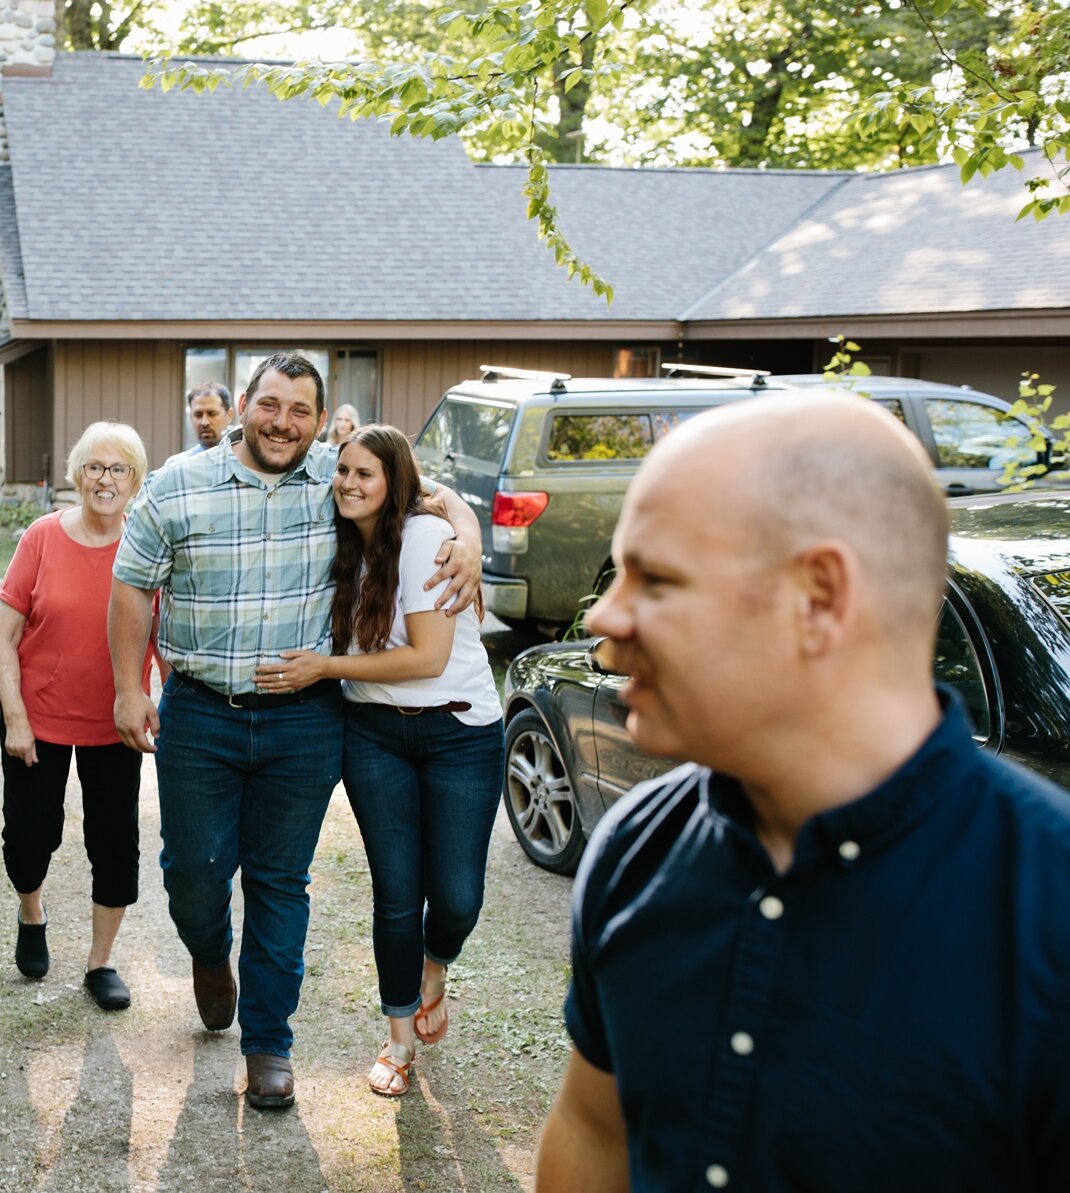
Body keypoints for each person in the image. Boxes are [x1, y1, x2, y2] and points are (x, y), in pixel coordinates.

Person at [535, 392, 1070, 1192]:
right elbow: (592, 1132)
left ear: (819, 597)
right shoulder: (636, 844)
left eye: (655, 578)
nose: (605, 617)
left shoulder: (1051, 917)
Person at [109, 352, 484, 1111]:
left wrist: (470, 539)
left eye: (300, 410)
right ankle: (210, 955)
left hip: (307, 723)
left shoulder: (337, 477)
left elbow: (430, 492)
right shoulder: (178, 482)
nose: (283, 422)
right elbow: (131, 586)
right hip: (201, 712)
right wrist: (127, 686)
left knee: (281, 882)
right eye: (271, 404)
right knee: (192, 875)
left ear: (319, 418)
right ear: (243, 404)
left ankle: (268, 1043)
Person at [253, 425, 502, 1098]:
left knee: (454, 896)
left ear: (394, 483)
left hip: (459, 730)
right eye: (342, 471)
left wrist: (323, 666)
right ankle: (398, 1040)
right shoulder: (337, 539)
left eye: (366, 474)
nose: (348, 484)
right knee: (396, 895)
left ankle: (435, 967)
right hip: (373, 734)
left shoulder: (423, 536)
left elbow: (426, 657)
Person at [0, 421, 154, 1012]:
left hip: (115, 722)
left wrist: (150, 699)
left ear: (135, 481)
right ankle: (31, 912)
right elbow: (4, 635)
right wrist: (15, 716)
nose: (105, 480)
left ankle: (100, 962)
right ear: (76, 475)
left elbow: (162, 633)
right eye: (94, 467)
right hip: (37, 720)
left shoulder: (146, 543)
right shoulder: (41, 537)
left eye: (118, 470)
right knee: (28, 840)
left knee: (115, 845)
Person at [184, 382, 233, 454]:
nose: (204, 422)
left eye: (212, 414)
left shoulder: (243, 462)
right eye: (198, 415)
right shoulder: (180, 464)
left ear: (229, 415)